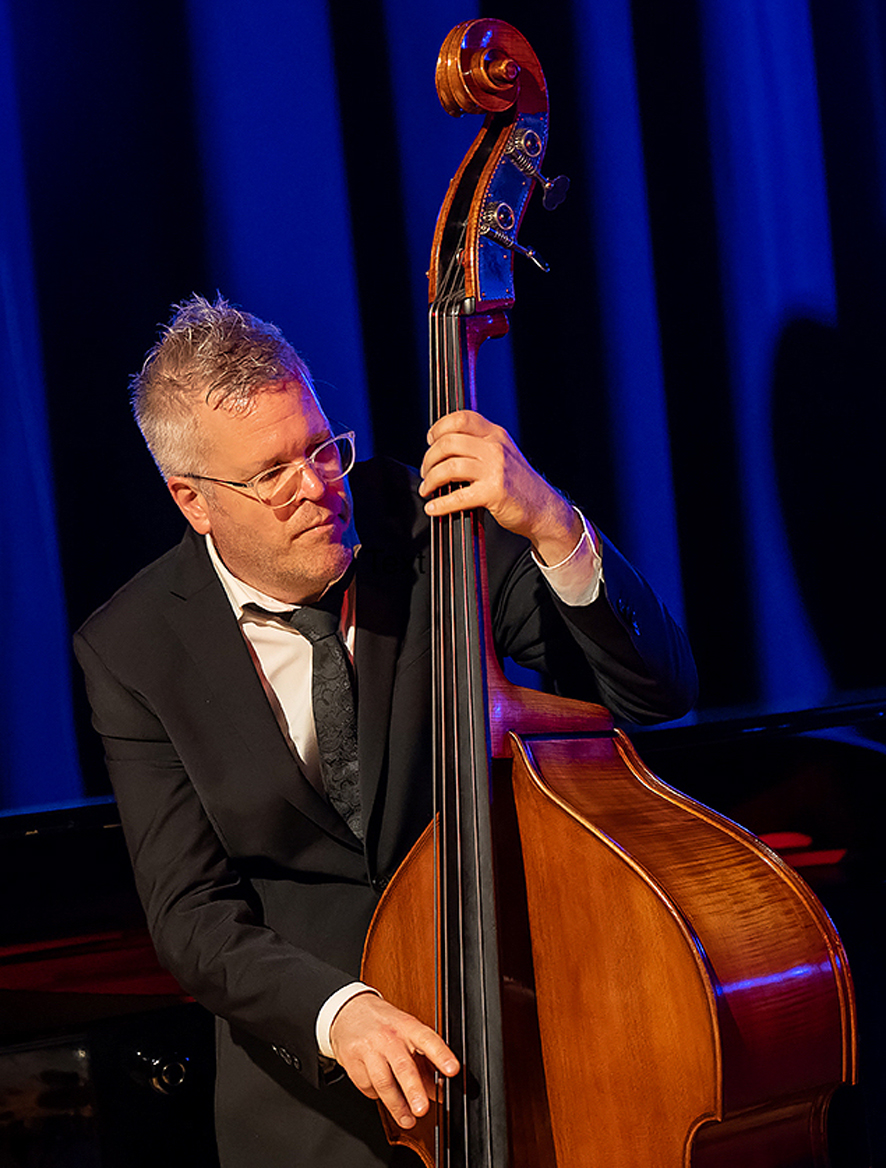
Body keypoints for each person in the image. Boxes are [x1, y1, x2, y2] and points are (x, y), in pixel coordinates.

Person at [74, 294, 697, 1167]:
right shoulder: (132, 647)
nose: (318, 487)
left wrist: (552, 523)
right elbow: (192, 915)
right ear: (193, 499)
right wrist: (340, 1012)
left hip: (529, 1039)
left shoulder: (434, 521)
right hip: (311, 1099)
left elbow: (654, 693)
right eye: (271, 475)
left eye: (323, 449)